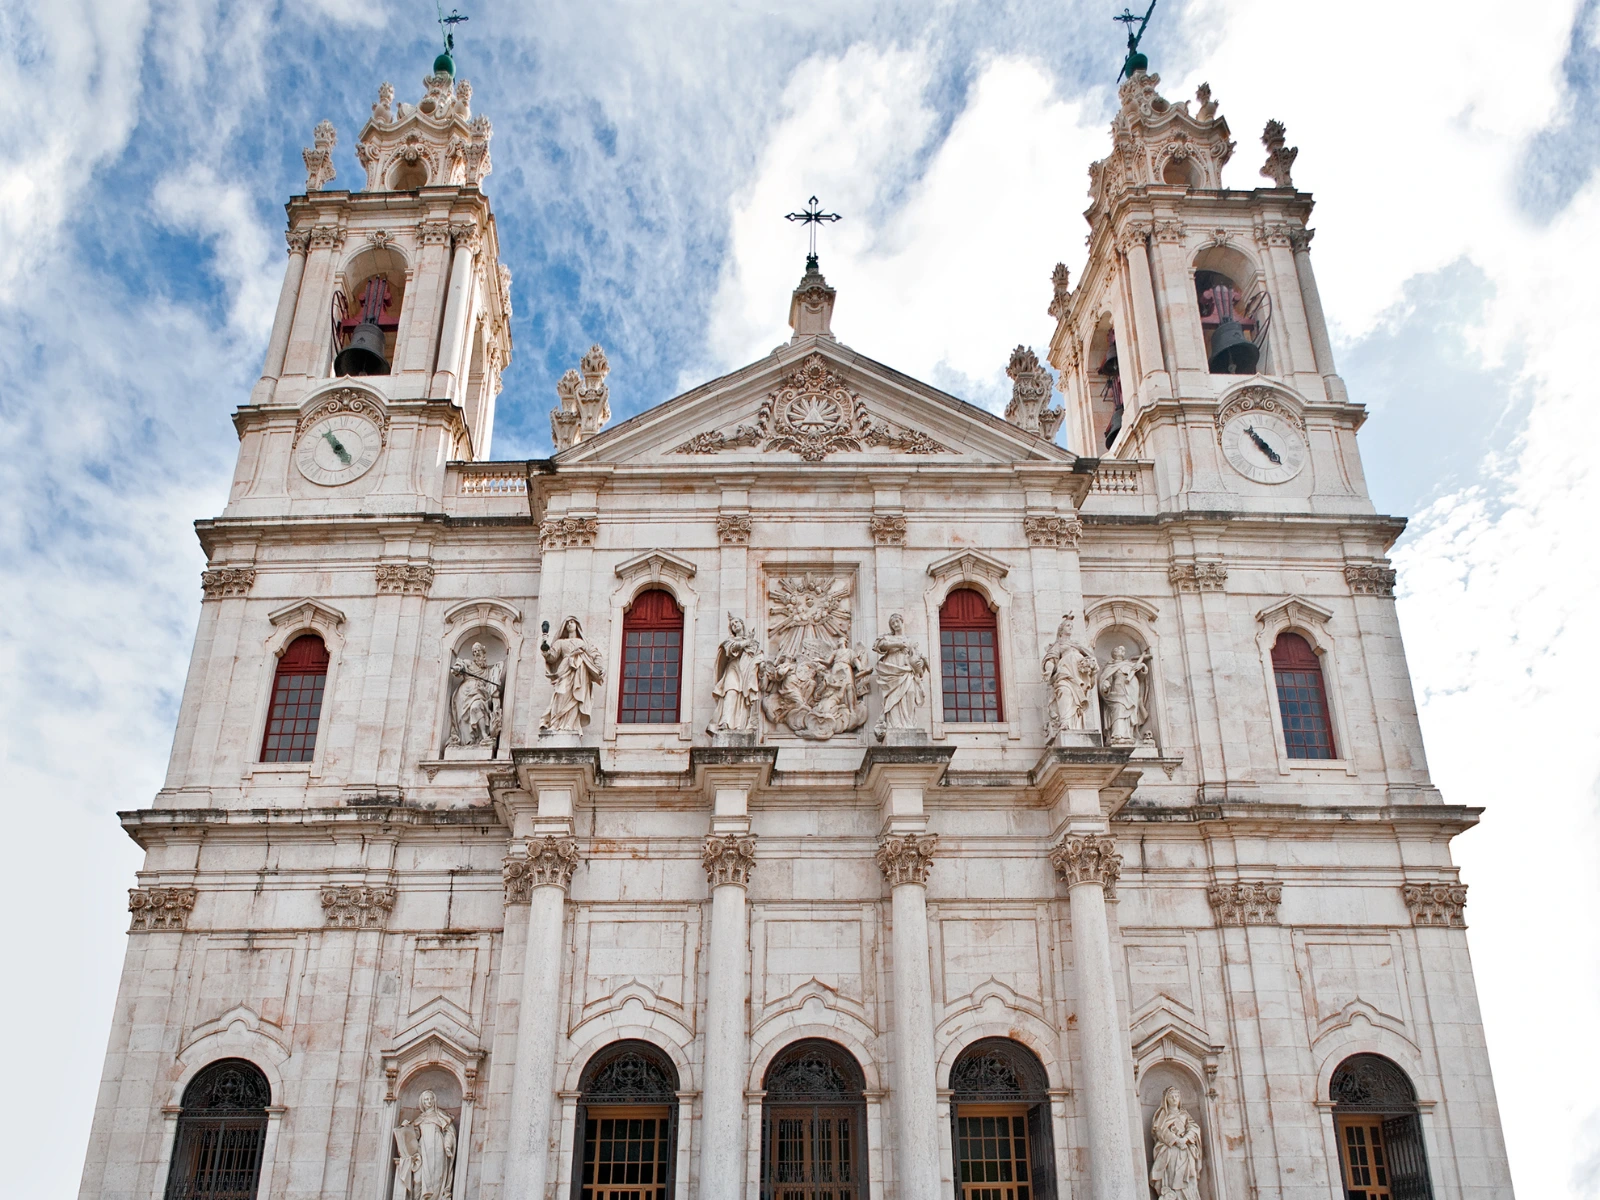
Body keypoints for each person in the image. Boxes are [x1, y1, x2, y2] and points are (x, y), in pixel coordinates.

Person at [541, 617, 604, 732]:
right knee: (561, 694)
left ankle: (570, 725)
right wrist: (544, 647)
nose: (570, 624)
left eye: (572, 622)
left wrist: (599, 667)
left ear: (577, 625)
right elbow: (552, 657)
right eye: (567, 623)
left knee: (576, 696)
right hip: (564, 669)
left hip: (580, 672)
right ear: (564, 627)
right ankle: (556, 723)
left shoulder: (584, 642)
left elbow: (595, 654)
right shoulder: (560, 642)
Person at [1041, 614, 1099, 737]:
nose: (1070, 627)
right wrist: (1048, 671)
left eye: (1071, 626)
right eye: (1068, 625)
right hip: (1065, 672)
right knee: (1064, 691)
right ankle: (1065, 722)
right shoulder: (1058, 645)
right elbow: (1051, 660)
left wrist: (1091, 666)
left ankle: (1076, 726)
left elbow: (1090, 658)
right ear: (1061, 629)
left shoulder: (1076, 645)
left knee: (1076, 701)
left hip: (1078, 675)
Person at [873, 613, 928, 739]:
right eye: (893, 623)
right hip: (893, 669)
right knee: (894, 698)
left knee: (910, 693)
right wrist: (897, 645)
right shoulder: (888, 638)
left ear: (902, 622)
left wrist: (921, 663)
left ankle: (908, 723)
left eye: (897, 622)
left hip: (907, 670)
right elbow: (880, 646)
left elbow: (916, 656)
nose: (895, 625)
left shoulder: (910, 641)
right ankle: (895, 725)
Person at [394, 1089, 457, 1200]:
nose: (428, 1101)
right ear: (422, 1102)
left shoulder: (441, 1116)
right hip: (423, 1148)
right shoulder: (420, 1119)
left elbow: (449, 1132)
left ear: (434, 1100)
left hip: (438, 1146)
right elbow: (413, 1135)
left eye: (430, 1098)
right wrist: (405, 1127)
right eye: (425, 1099)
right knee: (417, 1179)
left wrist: (447, 1146)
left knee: (436, 1175)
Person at [708, 615, 762, 734]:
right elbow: (733, 648)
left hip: (746, 670)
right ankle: (725, 722)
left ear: (742, 624)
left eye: (737, 622)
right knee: (731, 692)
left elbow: (757, 655)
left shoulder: (753, 643)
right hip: (733, 668)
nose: (735, 625)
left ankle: (739, 724)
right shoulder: (730, 641)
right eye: (732, 624)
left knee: (742, 697)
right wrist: (747, 641)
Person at [1149, 1086, 1202, 1200]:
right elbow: (1159, 1130)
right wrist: (1176, 1140)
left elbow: (1193, 1127)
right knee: (1173, 1174)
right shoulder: (1163, 1114)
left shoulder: (1184, 1114)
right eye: (1171, 1096)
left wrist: (1185, 1138)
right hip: (1171, 1149)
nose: (1174, 1098)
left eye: (1176, 1096)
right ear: (1166, 1099)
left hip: (1185, 1149)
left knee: (1189, 1174)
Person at [447, 641, 503, 747]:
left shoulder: (488, 671)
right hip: (464, 694)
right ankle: (467, 742)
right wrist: (458, 669)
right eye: (474, 652)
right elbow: (460, 667)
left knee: (476, 707)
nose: (476, 653)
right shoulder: (469, 663)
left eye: (478, 651)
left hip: (480, 694)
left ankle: (484, 735)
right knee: (463, 719)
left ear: (483, 653)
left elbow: (491, 685)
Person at [1098, 643, 1150, 744]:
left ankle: (1129, 734)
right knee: (1119, 707)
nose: (1121, 652)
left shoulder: (1129, 664)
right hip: (1117, 690)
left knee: (1130, 711)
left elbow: (1142, 677)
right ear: (1114, 654)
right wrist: (1105, 685)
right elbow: (1106, 678)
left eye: (1122, 651)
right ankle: (1117, 734)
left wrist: (1142, 666)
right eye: (1119, 650)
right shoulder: (1110, 666)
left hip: (1131, 690)